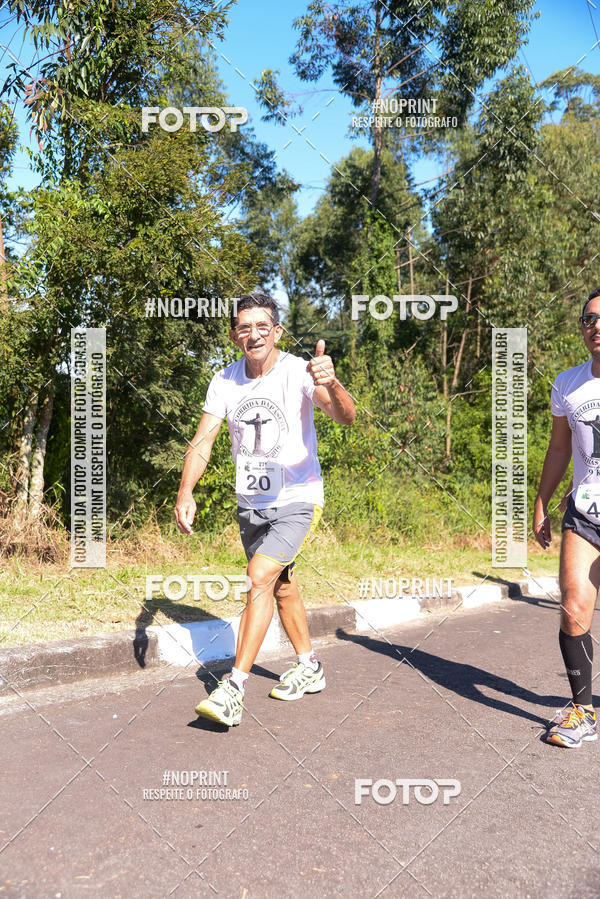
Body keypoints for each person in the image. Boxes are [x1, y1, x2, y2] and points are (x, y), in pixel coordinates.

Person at [174, 290, 356, 726]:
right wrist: (185, 492)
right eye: (243, 327)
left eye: (261, 327)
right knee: (281, 584)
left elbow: (346, 417)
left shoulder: (299, 372)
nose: (253, 335)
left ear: (276, 332)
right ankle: (309, 665)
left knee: (259, 576)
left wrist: (330, 382)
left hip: (298, 498)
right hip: (251, 501)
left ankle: (232, 689)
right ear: (235, 335)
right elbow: (203, 440)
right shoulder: (224, 381)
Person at [533, 286, 600, 748]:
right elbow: (560, 447)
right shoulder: (568, 382)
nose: (596, 327)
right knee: (574, 604)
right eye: (589, 319)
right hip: (586, 512)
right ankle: (582, 711)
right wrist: (542, 500)